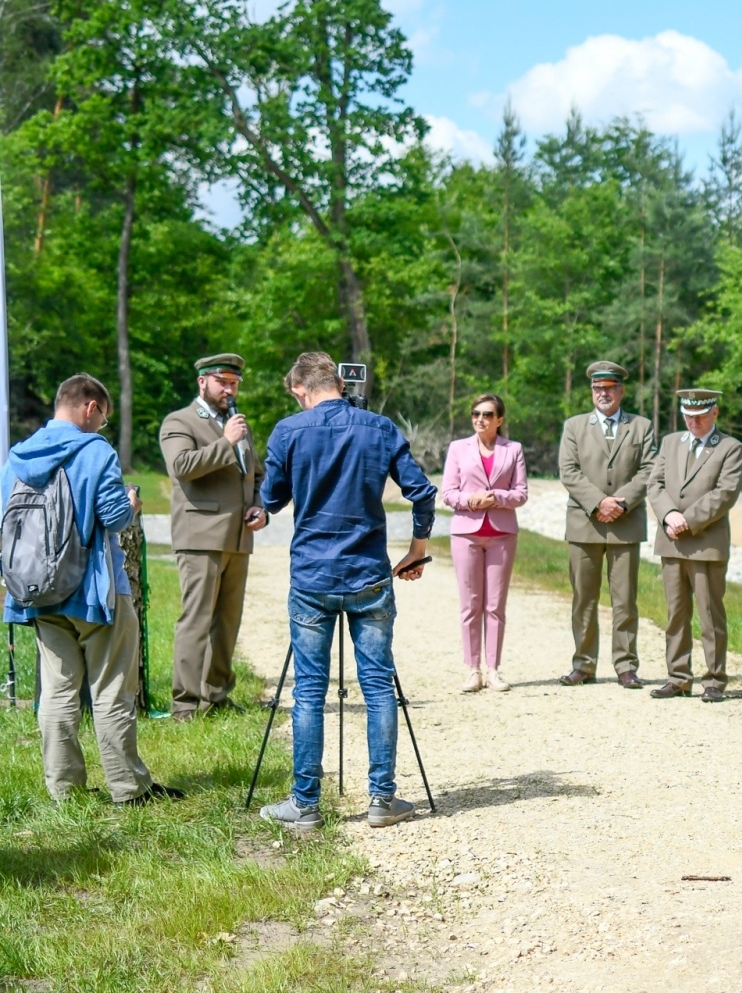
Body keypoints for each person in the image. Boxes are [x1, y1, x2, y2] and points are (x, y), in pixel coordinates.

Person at [257, 352, 436, 831]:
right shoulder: (378, 427)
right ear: (339, 381)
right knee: (378, 686)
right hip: (369, 576)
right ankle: (382, 799)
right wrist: (417, 549)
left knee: (310, 691)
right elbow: (422, 491)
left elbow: (271, 499)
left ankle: (305, 804)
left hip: (312, 578)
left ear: (300, 389)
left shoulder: (288, 431)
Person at [1, 374, 181, 805]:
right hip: (96, 590)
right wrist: (133, 501)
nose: (102, 425)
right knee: (111, 689)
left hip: (36, 591)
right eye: (103, 417)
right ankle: (128, 788)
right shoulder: (95, 450)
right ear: (90, 407)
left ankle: (65, 791)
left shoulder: (16, 456)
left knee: (58, 691)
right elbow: (115, 517)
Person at [160, 353, 267, 721]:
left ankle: (217, 696)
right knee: (197, 620)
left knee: (228, 621)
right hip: (200, 536)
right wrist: (225, 441)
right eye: (222, 382)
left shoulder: (239, 424)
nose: (229, 390)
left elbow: (255, 474)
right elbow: (182, 467)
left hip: (238, 537)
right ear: (202, 382)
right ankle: (185, 705)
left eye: (234, 383)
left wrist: (258, 506)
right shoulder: (180, 421)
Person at [556, 361, 656, 689]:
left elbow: (650, 469)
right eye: (599, 389)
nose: (604, 394)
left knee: (625, 599)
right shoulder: (574, 427)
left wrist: (621, 502)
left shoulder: (641, 426)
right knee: (584, 597)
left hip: (625, 525)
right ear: (591, 391)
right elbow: (569, 471)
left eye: (610, 388)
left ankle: (626, 666)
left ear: (621, 391)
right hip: (585, 524)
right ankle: (583, 665)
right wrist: (599, 502)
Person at [645, 388, 742, 701]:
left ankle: (714, 680)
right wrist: (668, 515)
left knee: (710, 614)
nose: (694, 421)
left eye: (700, 416)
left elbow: (725, 493)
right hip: (671, 540)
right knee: (676, 612)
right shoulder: (670, 442)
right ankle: (678, 677)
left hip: (706, 542)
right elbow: (655, 484)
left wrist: (687, 518)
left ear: (715, 413)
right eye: (688, 415)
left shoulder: (730, 448)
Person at [442, 393, 528, 694]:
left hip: (502, 534)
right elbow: (448, 493)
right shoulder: (457, 449)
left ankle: (494, 669)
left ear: (499, 420)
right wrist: (470, 500)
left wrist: (497, 498)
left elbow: (521, 493)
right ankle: (472, 669)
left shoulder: (513, 450)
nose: (481, 419)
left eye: (488, 414)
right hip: (466, 533)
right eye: (476, 413)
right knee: (470, 605)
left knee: (495, 605)